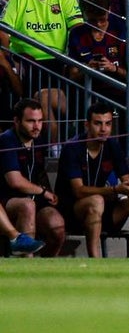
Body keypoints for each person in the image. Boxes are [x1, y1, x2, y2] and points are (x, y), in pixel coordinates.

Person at [56, 101, 129, 258]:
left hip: (104, 210)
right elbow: (78, 191)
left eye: (108, 124)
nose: (103, 129)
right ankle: (96, 260)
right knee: (96, 201)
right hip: (73, 212)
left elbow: (126, 179)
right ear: (87, 125)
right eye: (98, 123)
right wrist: (114, 189)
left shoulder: (112, 145)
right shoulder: (72, 148)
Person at [0, 99, 65, 256]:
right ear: (16, 121)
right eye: (31, 121)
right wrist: (43, 191)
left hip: (35, 200)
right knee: (27, 205)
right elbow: (15, 181)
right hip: (8, 201)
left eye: (40, 121)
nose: (37, 126)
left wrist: (49, 193)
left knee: (56, 225)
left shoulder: (39, 141)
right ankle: (26, 261)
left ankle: (44, 267)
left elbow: (40, 173)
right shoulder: (6, 140)